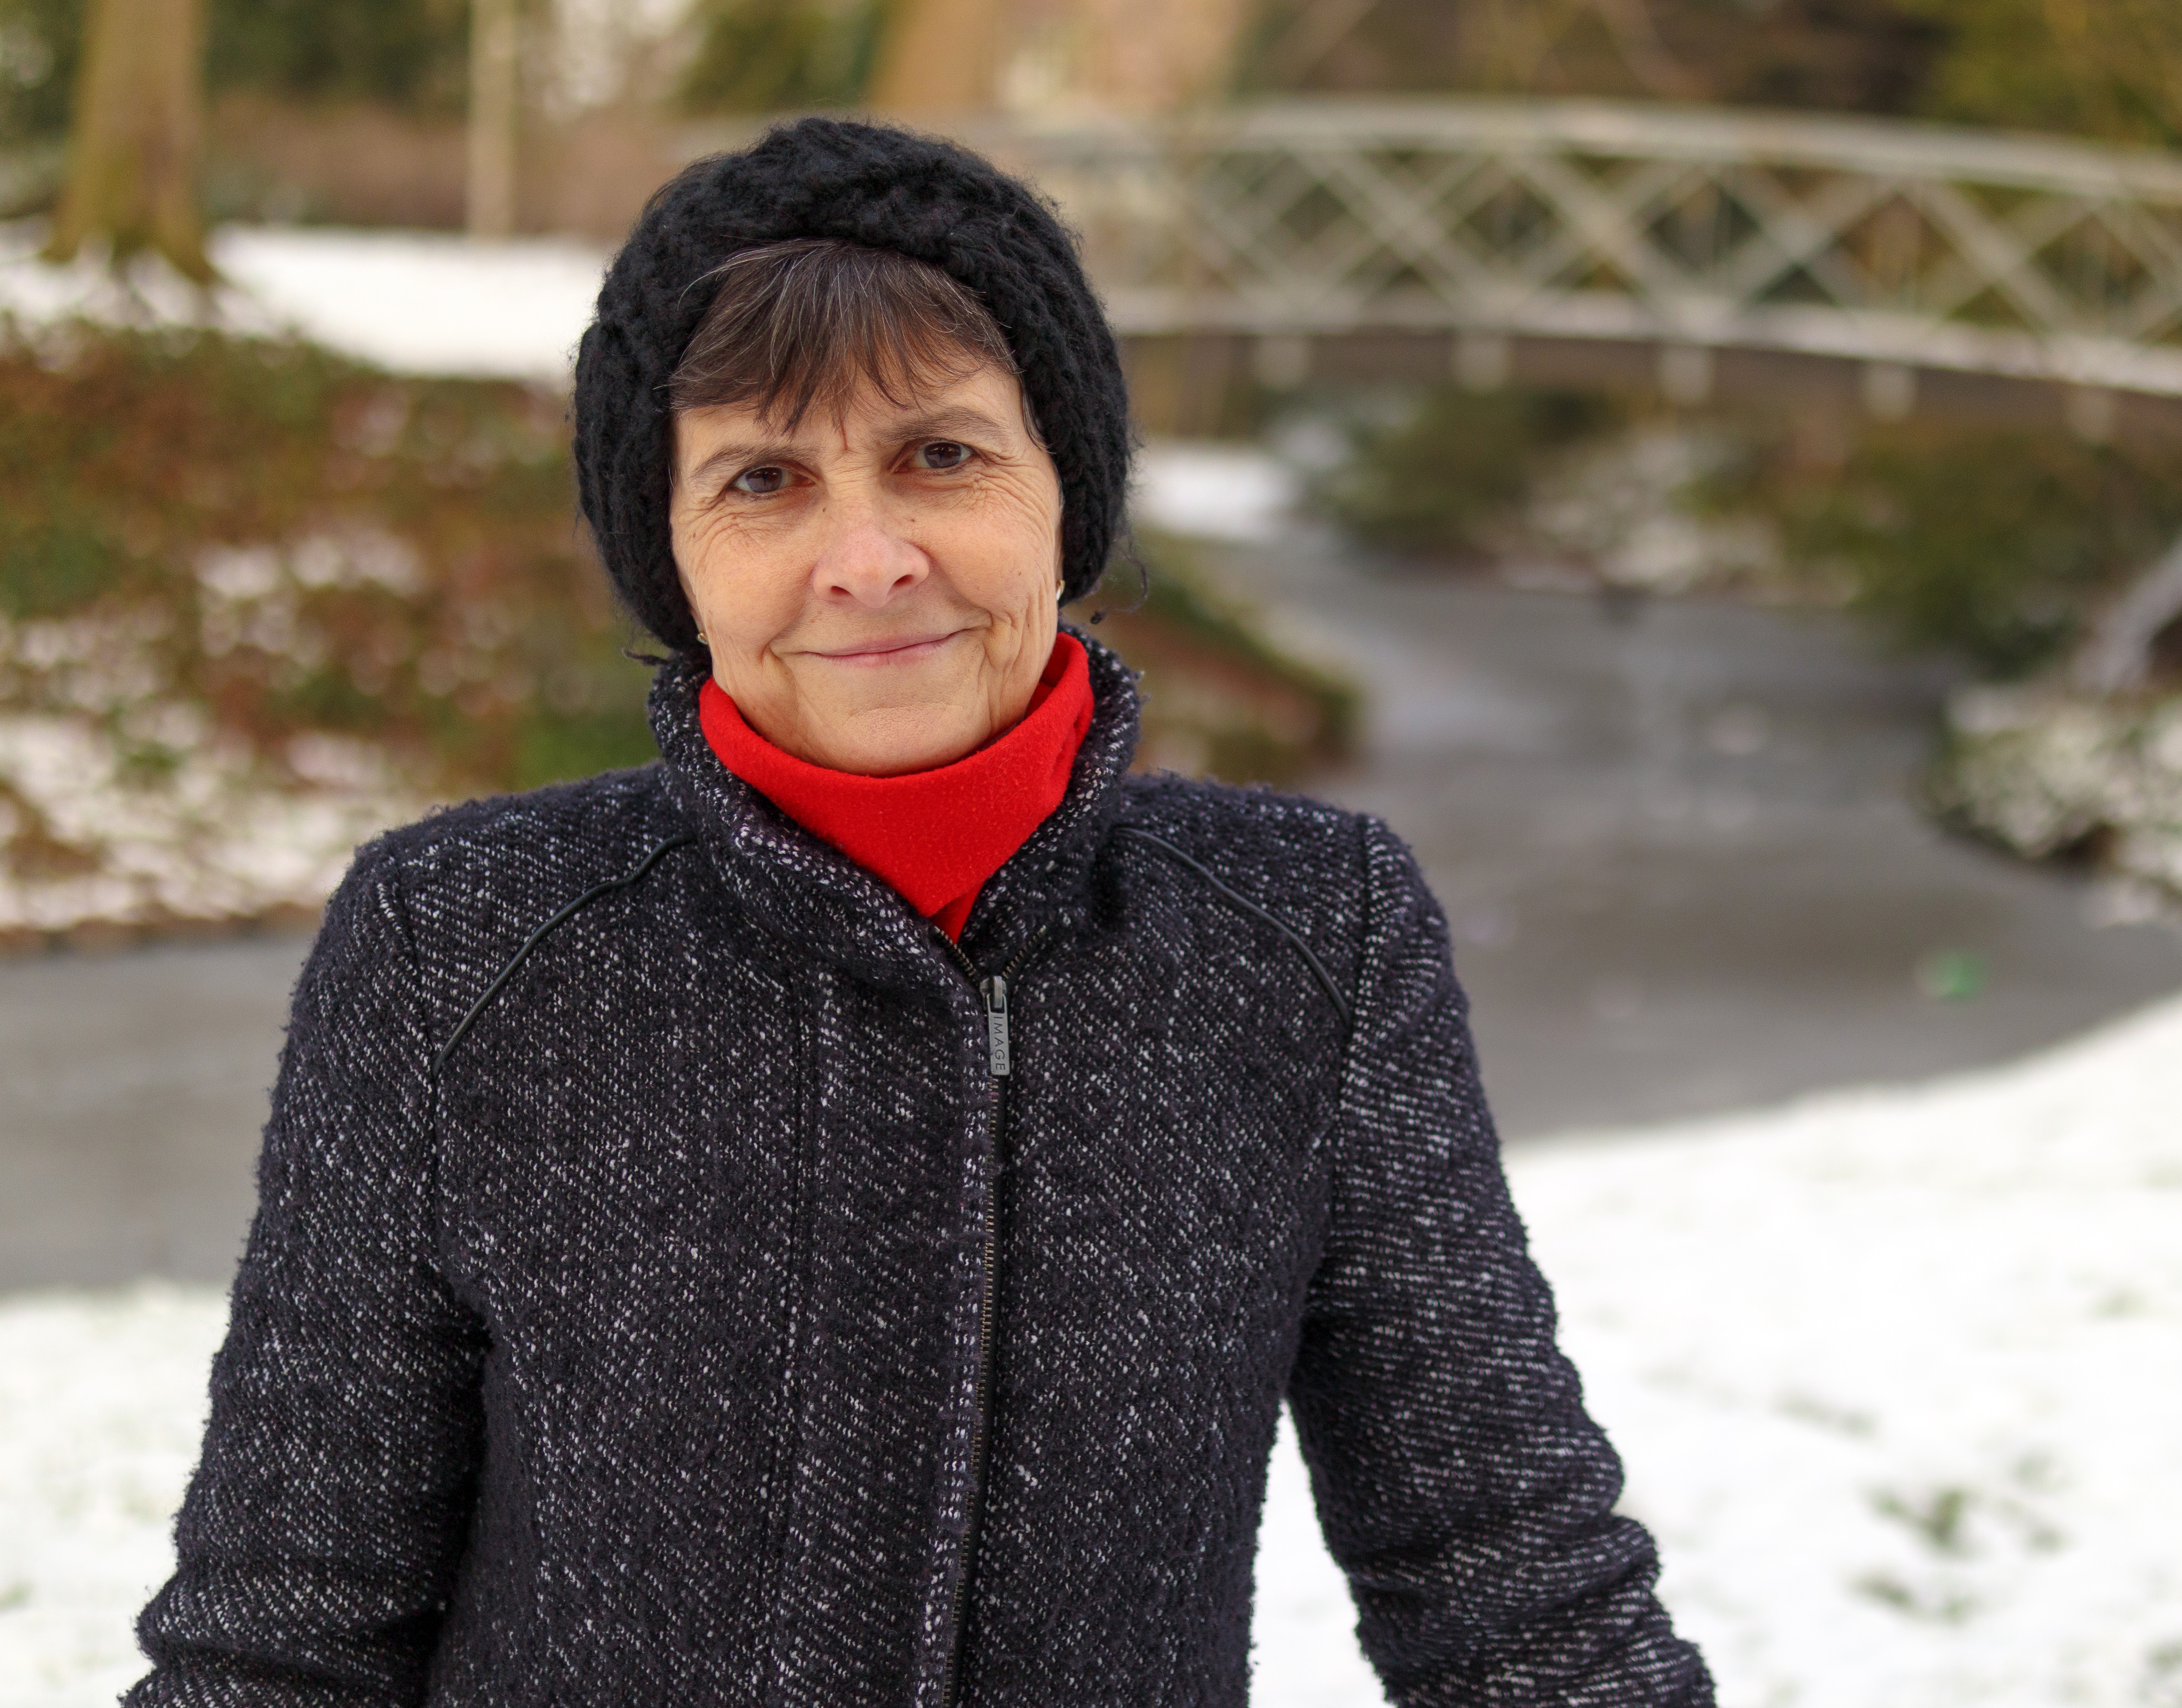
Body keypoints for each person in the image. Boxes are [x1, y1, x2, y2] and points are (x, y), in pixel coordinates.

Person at [128, 119, 1714, 1707]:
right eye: (763, 479)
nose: (869, 560)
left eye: (940, 456)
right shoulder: (454, 945)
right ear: (671, 549)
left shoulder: (1315, 937)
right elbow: (283, 1635)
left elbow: (1511, 1583)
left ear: (1064, 490)